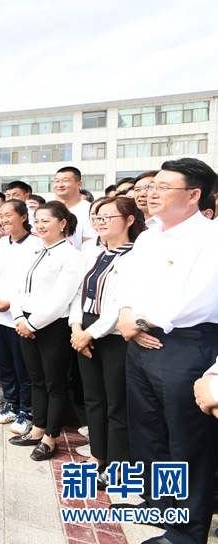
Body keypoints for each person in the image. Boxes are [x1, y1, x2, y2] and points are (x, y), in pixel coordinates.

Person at [115, 158, 218, 544]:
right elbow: (127, 282)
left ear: (193, 195)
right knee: (149, 430)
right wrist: (127, 316)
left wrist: (140, 321)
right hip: (139, 340)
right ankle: (160, 503)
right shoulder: (149, 236)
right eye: (150, 185)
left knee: (189, 441)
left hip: (186, 345)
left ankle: (186, 533)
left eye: (163, 186)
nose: (151, 192)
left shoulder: (210, 237)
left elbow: (198, 299)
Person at [68, 196, 141, 489]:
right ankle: (98, 454)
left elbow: (121, 303)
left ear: (130, 220)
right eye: (97, 217)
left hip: (113, 337)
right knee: (93, 398)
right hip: (84, 329)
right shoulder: (94, 252)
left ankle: (118, 463)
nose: (100, 222)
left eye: (108, 217)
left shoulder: (136, 255)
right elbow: (78, 293)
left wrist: (90, 334)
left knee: (116, 403)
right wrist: (76, 328)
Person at [9, 202, 84, 461]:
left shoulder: (72, 256)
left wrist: (31, 324)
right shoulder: (34, 249)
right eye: (37, 220)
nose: (39, 225)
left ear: (62, 223)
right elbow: (17, 287)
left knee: (55, 384)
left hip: (53, 327)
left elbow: (61, 298)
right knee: (36, 380)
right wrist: (19, 317)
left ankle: (51, 438)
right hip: (25, 323)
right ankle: (37, 428)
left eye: (46, 221)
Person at [0, 200, 36, 435]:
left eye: (9, 215)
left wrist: (12, 303)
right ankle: (12, 405)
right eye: (1, 216)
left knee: (23, 366)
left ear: (24, 217)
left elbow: (34, 283)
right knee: (5, 364)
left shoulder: (36, 244)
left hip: (20, 316)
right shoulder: (1, 243)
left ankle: (28, 411)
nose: (4, 220)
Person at [53, 166, 97, 249]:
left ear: (79, 184)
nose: (60, 185)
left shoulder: (90, 210)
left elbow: (90, 244)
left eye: (65, 181)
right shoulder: (47, 209)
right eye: (57, 181)